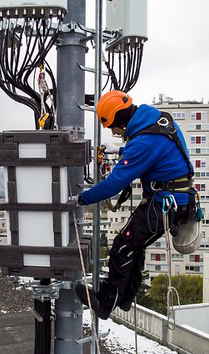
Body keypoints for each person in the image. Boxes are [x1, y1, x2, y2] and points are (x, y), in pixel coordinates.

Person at [75, 90, 197, 319]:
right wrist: (120, 150)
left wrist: (82, 199)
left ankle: (106, 302)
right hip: (173, 199)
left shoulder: (144, 143)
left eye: (114, 127)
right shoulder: (156, 120)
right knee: (134, 245)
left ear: (121, 119)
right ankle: (125, 298)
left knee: (123, 245)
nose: (114, 132)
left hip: (165, 203)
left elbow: (114, 183)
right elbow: (153, 151)